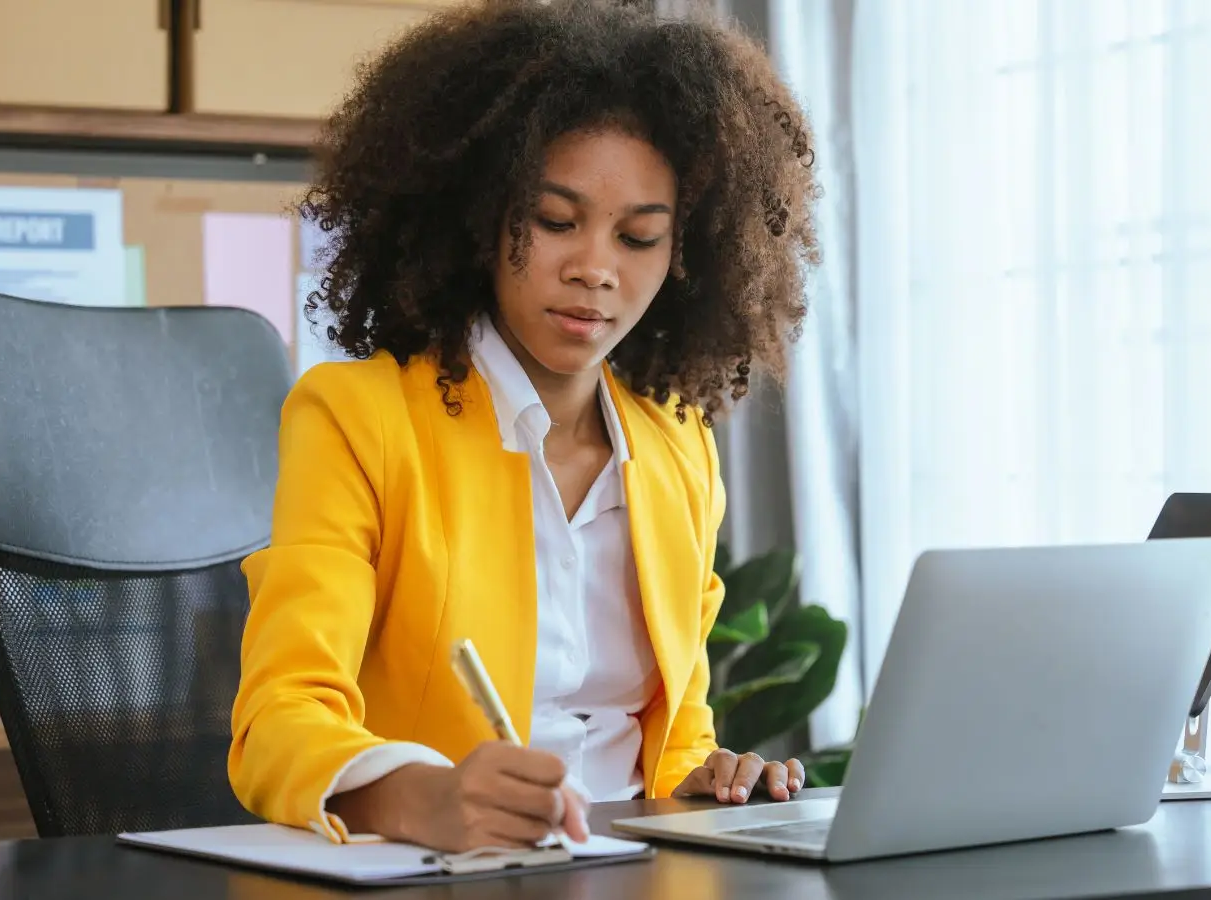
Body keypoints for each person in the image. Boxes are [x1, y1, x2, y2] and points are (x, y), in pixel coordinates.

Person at [227, 0, 819, 853]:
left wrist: (704, 776)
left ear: (689, 257)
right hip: (447, 870)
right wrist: (420, 797)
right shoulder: (360, 418)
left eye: (641, 237)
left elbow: (674, 734)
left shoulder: (676, 447)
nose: (595, 269)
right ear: (477, 213)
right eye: (554, 222)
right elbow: (280, 718)